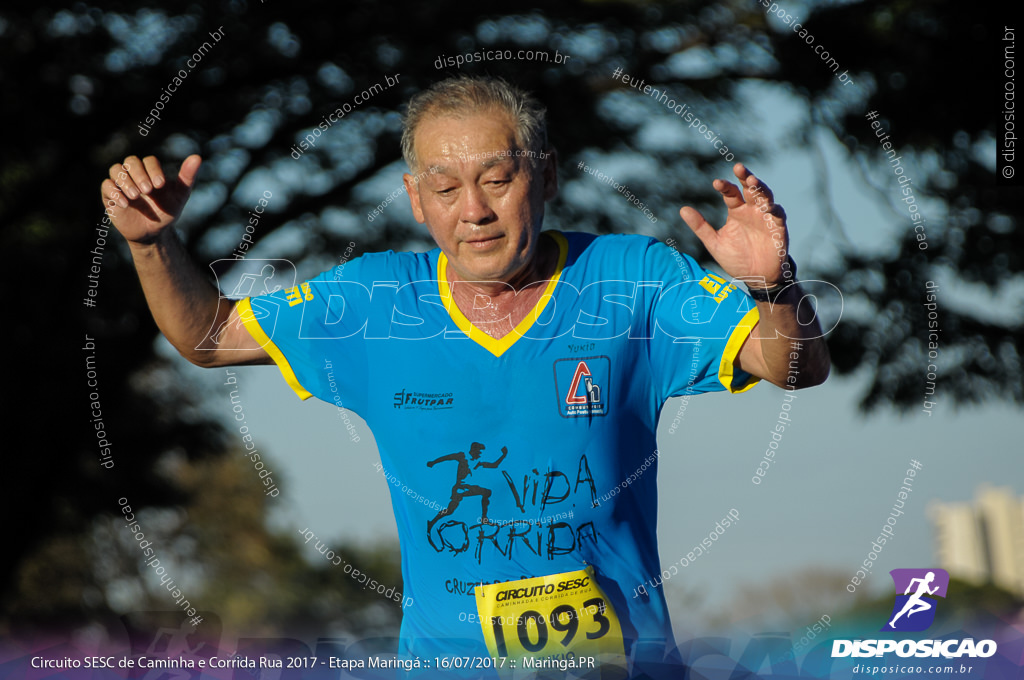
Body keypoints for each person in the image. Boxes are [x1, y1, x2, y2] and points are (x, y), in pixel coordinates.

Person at [100, 75, 829, 678]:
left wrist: (774, 287)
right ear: (416, 201)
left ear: (543, 175)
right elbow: (207, 336)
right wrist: (152, 243)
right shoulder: (375, 301)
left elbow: (792, 365)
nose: (473, 211)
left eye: (497, 179)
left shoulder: (629, 280)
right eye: (445, 189)